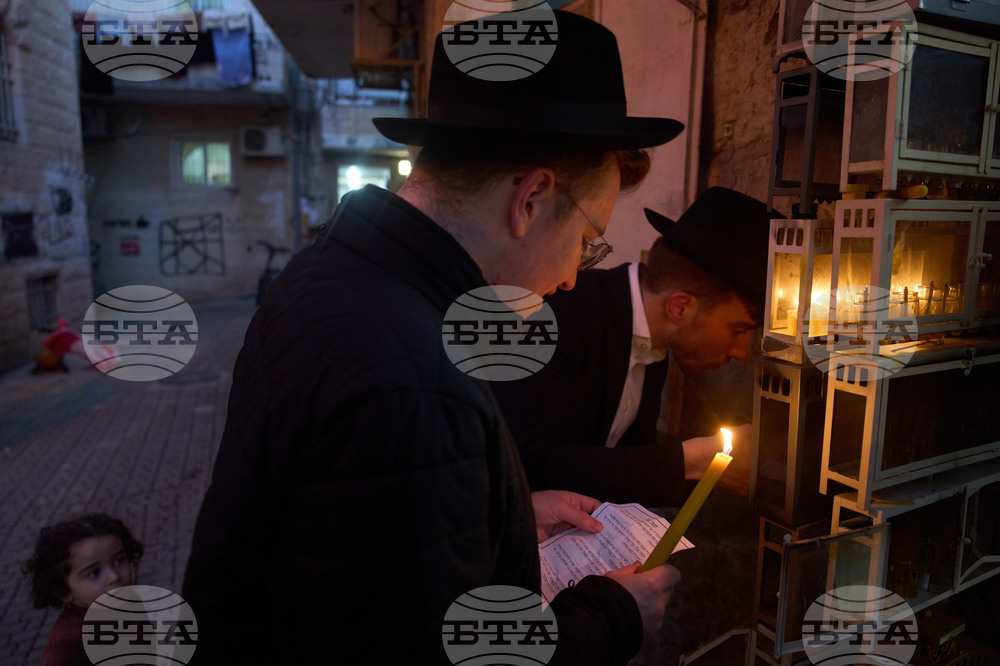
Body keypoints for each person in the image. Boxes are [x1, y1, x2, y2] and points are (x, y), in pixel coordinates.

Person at [182, 10, 685, 665]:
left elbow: (357, 536)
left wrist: (495, 515)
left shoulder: (334, 271)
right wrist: (613, 617)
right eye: (588, 242)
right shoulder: (415, 373)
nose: (570, 279)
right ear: (530, 199)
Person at [493, 187, 775, 507]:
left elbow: (624, 472)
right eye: (737, 330)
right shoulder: (560, 313)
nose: (741, 352)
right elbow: (530, 466)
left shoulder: (654, 339)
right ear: (680, 308)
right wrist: (690, 461)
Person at [22, 513, 143, 666]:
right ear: (63, 591)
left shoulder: (129, 600)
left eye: (119, 560)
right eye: (94, 573)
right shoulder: (68, 649)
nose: (114, 576)